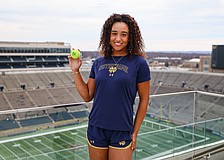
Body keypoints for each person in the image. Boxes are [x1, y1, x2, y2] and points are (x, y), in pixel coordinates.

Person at [68, 13, 151, 160]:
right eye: (114, 34)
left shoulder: (139, 64)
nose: (118, 39)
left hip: (122, 130)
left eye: (123, 34)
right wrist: (75, 70)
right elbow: (87, 96)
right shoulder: (98, 63)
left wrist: (135, 131)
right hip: (96, 128)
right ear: (108, 35)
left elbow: (144, 100)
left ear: (130, 37)